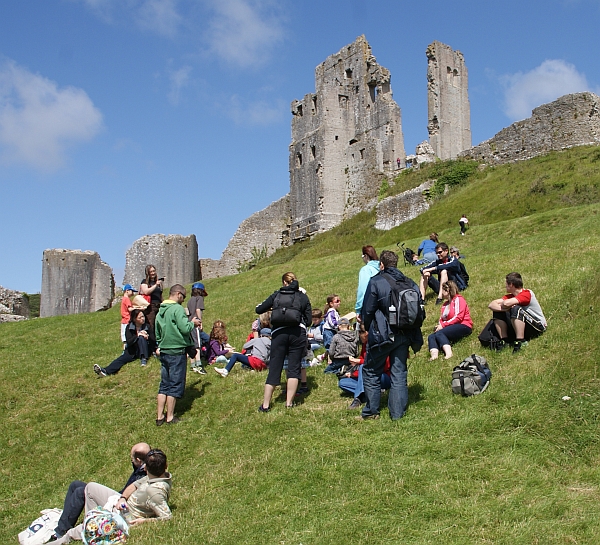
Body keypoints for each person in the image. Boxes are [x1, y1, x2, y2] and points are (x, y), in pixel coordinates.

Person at [52, 449, 171, 544]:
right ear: (166, 465)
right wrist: (122, 498)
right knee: (90, 487)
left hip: (124, 517)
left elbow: (167, 517)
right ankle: (92, 523)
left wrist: (143, 521)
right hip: (122, 503)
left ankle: (88, 528)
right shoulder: (156, 475)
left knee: (71, 533)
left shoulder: (155, 492)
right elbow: (134, 485)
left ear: (145, 469)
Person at [359, 250, 423, 420]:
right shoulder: (409, 282)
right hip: (405, 334)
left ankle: (371, 412)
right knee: (399, 373)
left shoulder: (376, 281)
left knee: (371, 371)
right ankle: (397, 415)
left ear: (382, 264)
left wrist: (366, 327)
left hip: (383, 335)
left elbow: (368, 311)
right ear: (396, 264)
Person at [256, 272, 312, 411]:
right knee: (293, 368)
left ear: (284, 283)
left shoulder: (276, 295)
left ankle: (266, 405)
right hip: (297, 333)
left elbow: (259, 309)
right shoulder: (302, 296)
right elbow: (309, 319)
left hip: (279, 333)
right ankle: (289, 403)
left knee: (275, 367)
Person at [155, 284, 201, 425]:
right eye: (184, 296)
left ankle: (159, 417)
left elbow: (157, 331)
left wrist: (160, 344)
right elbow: (184, 328)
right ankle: (170, 417)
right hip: (177, 351)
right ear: (178, 294)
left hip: (164, 350)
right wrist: (192, 323)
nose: (183, 299)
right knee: (175, 384)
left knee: (164, 384)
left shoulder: (160, 311)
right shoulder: (177, 309)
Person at [488, 272, 547, 353]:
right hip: (523, 325)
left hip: (537, 326)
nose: (505, 286)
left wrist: (506, 305)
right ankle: (505, 340)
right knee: (497, 311)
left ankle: (520, 341)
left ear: (511, 284)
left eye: (506, 284)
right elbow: (491, 305)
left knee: (516, 309)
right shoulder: (511, 296)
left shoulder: (527, 293)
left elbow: (506, 303)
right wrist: (505, 309)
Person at [338, 327, 391, 410]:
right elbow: (364, 363)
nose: (359, 335)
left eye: (360, 333)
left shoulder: (380, 344)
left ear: (366, 333)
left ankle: (358, 398)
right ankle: (373, 392)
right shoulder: (365, 345)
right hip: (366, 376)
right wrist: (353, 372)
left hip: (383, 376)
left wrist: (358, 362)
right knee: (343, 383)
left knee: (363, 368)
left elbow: (382, 366)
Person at [94, 309, 156, 376]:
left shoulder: (147, 326)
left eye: (143, 316)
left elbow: (154, 340)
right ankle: (106, 371)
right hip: (132, 351)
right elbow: (129, 341)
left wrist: (147, 336)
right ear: (135, 319)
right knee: (121, 359)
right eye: (140, 317)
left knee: (142, 338)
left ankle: (144, 358)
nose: (142, 319)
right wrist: (137, 335)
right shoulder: (129, 327)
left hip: (145, 349)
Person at [427, 280, 473, 360]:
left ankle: (448, 353)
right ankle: (434, 355)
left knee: (440, 333)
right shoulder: (445, 305)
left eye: (442, 290)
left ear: (448, 290)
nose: (440, 293)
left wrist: (443, 325)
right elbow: (441, 319)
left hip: (463, 325)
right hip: (450, 326)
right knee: (431, 336)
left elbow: (458, 317)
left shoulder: (458, 299)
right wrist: (439, 325)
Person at [187, 282, 208, 375]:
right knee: (197, 345)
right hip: (195, 324)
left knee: (191, 344)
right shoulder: (199, 298)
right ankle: (199, 365)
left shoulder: (190, 300)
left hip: (189, 323)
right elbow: (198, 309)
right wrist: (200, 321)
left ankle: (192, 365)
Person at [355, 246, 380, 318]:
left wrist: (358, 309)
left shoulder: (365, 270)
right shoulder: (381, 267)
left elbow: (362, 290)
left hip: (370, 306)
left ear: (366, 256)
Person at [139, 264, 163, 330]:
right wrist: (155, 285)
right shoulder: (144, 282)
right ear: (148, 273)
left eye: (154, 271)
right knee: (151, 324)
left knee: (159, 324)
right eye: (151, 272)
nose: (153, 273)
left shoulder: (157, 282)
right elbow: (146, 291)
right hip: (150, 306)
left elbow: (160, 294)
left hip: (159, 306)